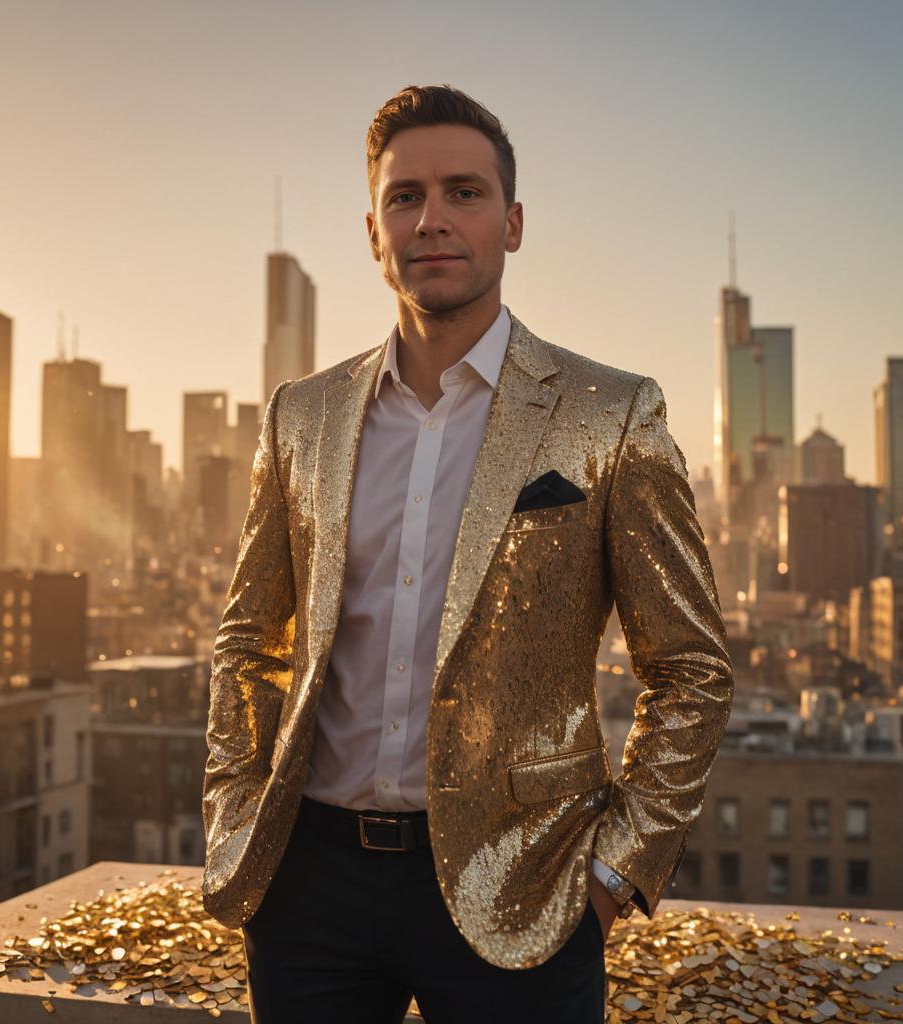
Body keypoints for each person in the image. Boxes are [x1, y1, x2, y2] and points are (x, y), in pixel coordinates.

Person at [201, 83, 734, 1024]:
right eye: (405, 197)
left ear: (513, 223)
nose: (432, 219)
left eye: (464, 192)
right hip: (309, 888)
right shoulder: (302, 416)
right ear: (374, 232)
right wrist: (239, 824)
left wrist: (612, 877)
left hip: (527, 888)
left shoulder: (611, 414)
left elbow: (689, 668)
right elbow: (250, 643)